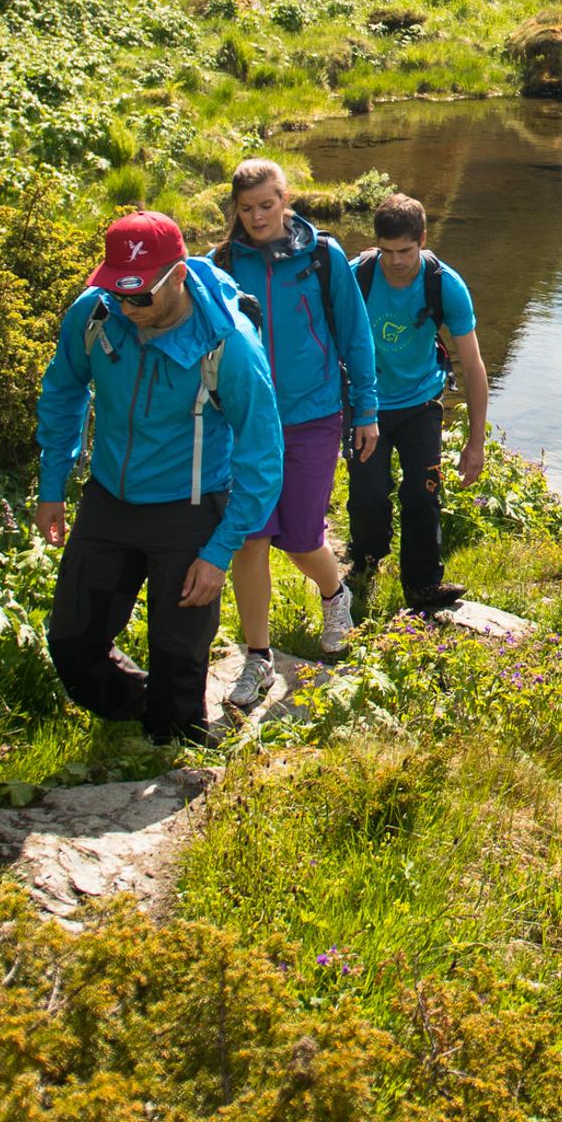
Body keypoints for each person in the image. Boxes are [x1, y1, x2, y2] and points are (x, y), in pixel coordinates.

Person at [33, 209, 284, 757]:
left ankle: (176, 750)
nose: (126, 307)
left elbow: (263, 456)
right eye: (117, 293)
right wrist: (52, 483)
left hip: (190, 511)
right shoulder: (95, 315)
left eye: (139, 297)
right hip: (109, 501)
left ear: (176, 276)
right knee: (73, 645)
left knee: (179, 662)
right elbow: (62, 392)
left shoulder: (229, 346)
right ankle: (139, 707)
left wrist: (219, 552)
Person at [212, 158, 376, 712]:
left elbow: (355, 336)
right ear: (235, 209)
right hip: (248, 420)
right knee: (250, 537)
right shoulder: (223, 264)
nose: (257, 216)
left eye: (267, 204)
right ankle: (257, 657)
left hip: (313, 414)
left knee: (303, 538)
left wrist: (366, 410)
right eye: (247, 208)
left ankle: (335, 595)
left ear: (286, 200)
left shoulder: (323, 258)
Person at [346, 191, 489, 621]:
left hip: (421, 400)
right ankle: (366, 563)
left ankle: (424, 582)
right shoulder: (358, 276)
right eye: (386, 251)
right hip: (366, 403)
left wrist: (475, 442)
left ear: (423, 239)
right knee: (368, 496)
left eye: (405, 250)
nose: (395, 261)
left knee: (422, 492)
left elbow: (474, 365)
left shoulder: (444, 284)